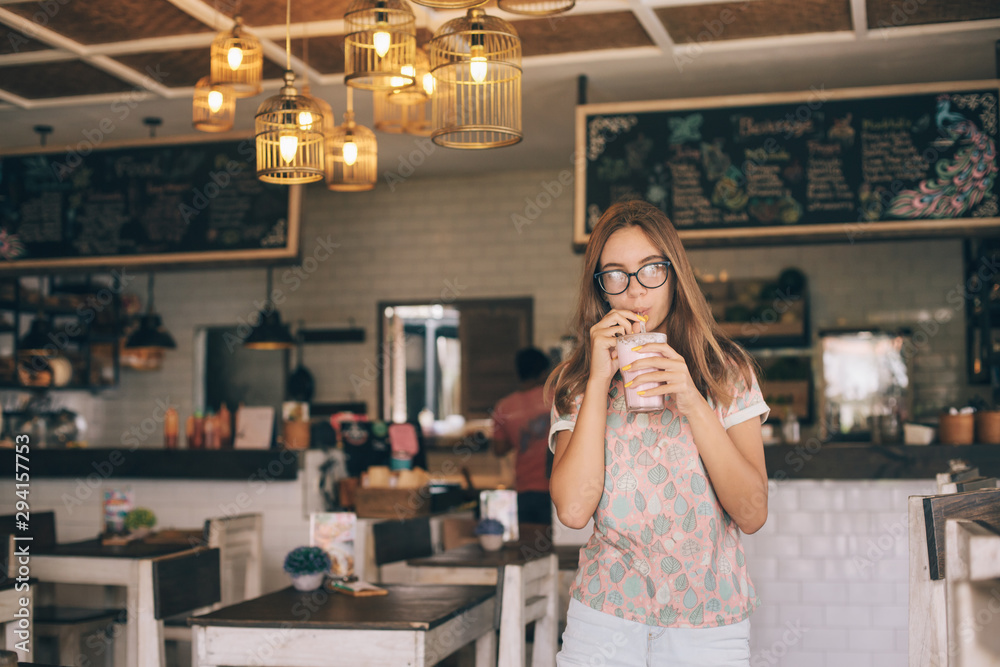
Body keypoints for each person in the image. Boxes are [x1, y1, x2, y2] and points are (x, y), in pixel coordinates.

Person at [546, 200, 769, 666]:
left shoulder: (726, 371)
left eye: (651, 269)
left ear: (675, 273)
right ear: (600, 287)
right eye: (616, 275)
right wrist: (599, 381)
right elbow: (572, 508)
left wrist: (690, 398)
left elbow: (751, 513)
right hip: (604, 621)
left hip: (709, 628)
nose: (635, 291)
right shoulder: (576, 381)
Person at [492, 347, 554, 525]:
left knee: (528, 544)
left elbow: (499, 449)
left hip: (524, 488)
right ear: (544, 373)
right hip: (555, 487)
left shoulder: (504, 407)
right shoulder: (557, 397)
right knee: (555, 545)